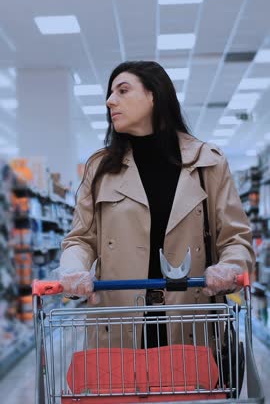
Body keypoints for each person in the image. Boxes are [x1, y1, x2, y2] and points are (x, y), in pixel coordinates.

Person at [59, 60, 254, 349]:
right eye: (110, 93)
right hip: (120, 323)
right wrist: (73, 270)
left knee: (188, 390)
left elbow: (236, 238)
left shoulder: (207, 162)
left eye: (123, 90)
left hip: (192, 322)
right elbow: (81, 239)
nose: (111, 101)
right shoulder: (100, 168)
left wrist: (229, 267)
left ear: (154, 96)